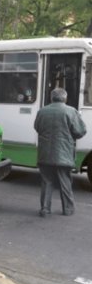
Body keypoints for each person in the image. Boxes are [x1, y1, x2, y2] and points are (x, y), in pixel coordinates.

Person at [34, 87, 86, 217]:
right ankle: (67, 210)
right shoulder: (71, 111)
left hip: (45, 153)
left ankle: (45, 210)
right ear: (65, 98)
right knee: (65, 182)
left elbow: (37, 127)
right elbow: (80, 131)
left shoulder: (42, 111)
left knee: (47, 181)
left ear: (51, 98)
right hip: (64, 154)